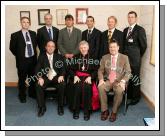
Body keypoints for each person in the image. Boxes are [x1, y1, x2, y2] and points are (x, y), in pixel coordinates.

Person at [98, 39, 131, 122]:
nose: (112, 49)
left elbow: (128, 72)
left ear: (118, 47)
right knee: (101, 87)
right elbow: (100, 70)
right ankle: (105, 110)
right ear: (109, 48)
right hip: (108, 80)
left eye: (114, 47)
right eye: (110, 47)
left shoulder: (124, 57)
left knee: (120, 90)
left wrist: (123, 81)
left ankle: (114, 111)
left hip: (119, 81)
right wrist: (101, 79)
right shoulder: (105, 57)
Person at [69, 41, 100, 121]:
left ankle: (87, 111)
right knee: (77, 86)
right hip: (78, 77)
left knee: (87, 87)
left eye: (85, 47)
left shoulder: (93, 57)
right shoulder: (75, 57)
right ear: (79, 49)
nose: (83, 49)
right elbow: (70, 69)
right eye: (81, 48)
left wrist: (91, 77)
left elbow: (96, 70)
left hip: (88, 77)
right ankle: (76, 110)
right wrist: (74, 76)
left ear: (88, 48)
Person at [9, 17, 37, 103]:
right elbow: (12, 48)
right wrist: (20, 56)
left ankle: (32, 93)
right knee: (22, 79)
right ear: (21, 23)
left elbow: (35, 45)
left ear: (29, 24)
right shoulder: (15, 35)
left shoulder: (33, 33)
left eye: (27, 22)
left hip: (32, 60)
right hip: (22, 61)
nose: (26, 24)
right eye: (24, 22)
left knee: (32, 78)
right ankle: (22, 95)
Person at [35, 41, 66, 117]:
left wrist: (62, 75)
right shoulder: (41, 56)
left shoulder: (59, 56)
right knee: (38, 85)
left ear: (55, 48)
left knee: (62, 84)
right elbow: (37, 68)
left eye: (52, 46)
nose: (50, 48)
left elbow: (63, 68)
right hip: (46, 77)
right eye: (49, 46)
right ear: (46, 47)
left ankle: (60, 106)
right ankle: (42, 107)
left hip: (56, 77)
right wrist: (39, 78)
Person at [123, 11, 147, 105]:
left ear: (136, 18)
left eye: (132, 17)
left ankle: (136, 97)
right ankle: (128, 95)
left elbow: (143, 46)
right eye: (129, 17)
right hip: (126, 59)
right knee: (127, 76)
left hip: (135, 59)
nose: (130, 19)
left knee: (135, 77)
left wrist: (137, 55)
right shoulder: (125, 30)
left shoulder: (140, 30)